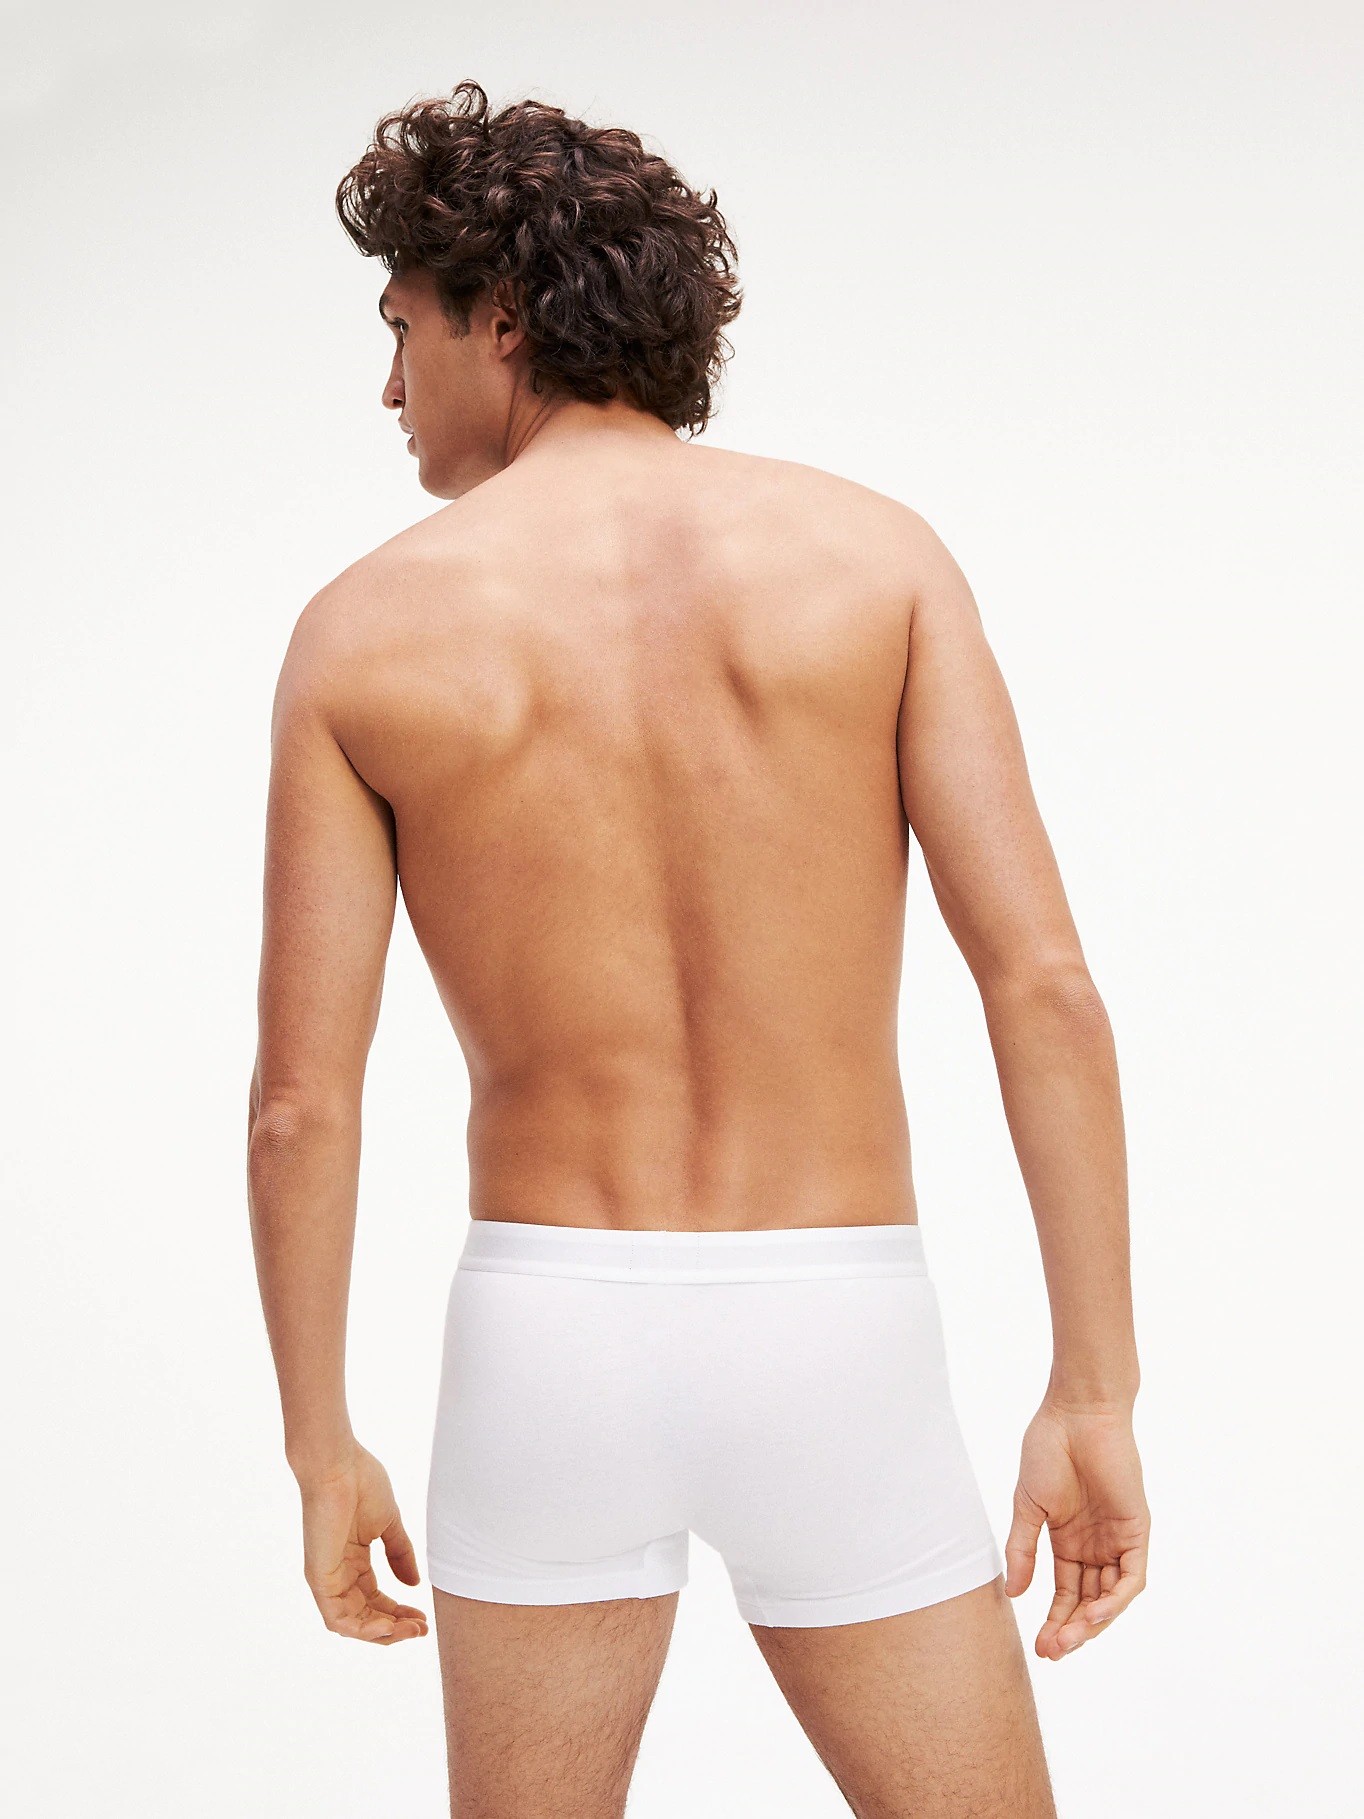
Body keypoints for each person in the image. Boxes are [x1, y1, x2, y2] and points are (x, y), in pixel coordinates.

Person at [247, 79, 1149, 1819]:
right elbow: (1042, 986)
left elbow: (300, 1102)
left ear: (503, 319)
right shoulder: (877, 561)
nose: (390, 388)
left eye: (401, 329)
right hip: (839, 1326)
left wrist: (317, 1441)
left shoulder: (359, 636)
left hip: (547, 1339)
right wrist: (1094, 1386)